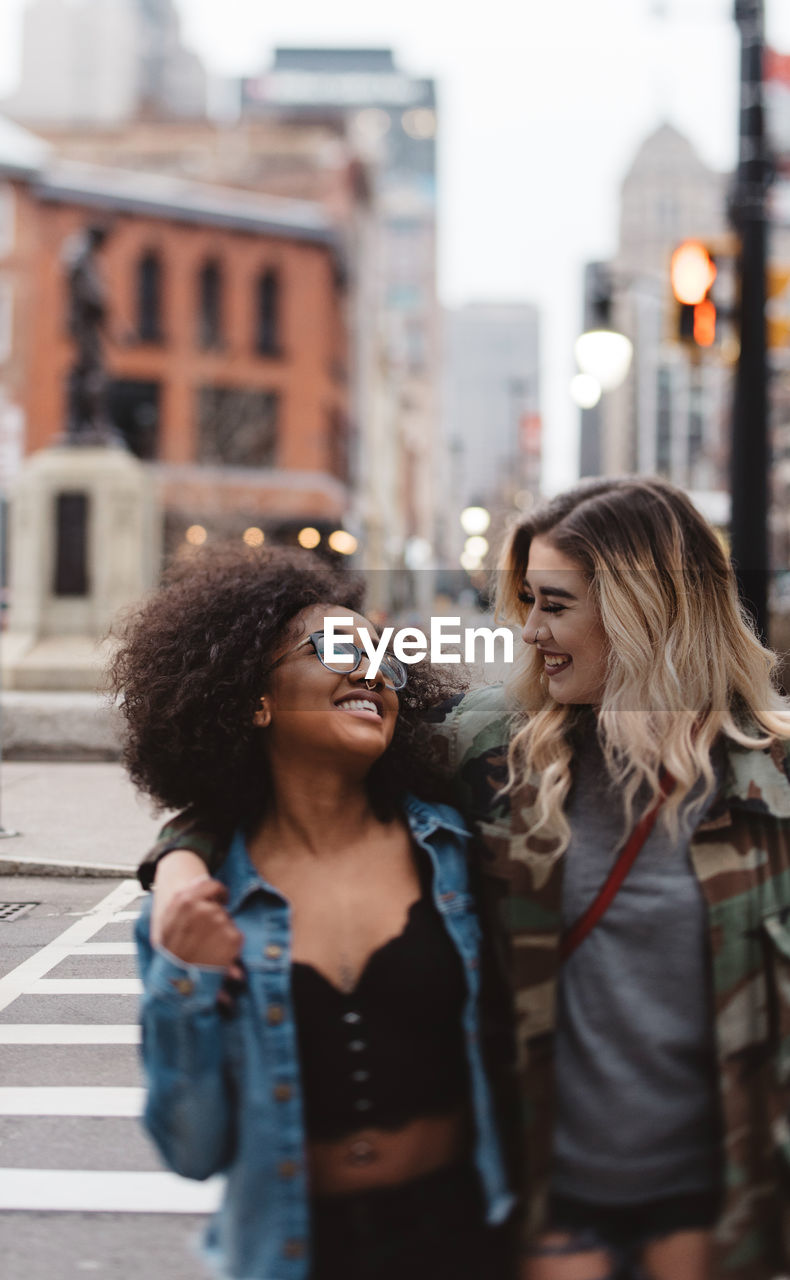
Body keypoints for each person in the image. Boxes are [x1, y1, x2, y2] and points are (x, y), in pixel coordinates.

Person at [140, 479, 790, 1280]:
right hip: (546, 1197)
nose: (529, 630)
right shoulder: (493, 748)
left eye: (553, 604)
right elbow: (286, 783)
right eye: (524, 602)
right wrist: (177, 864)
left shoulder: (773, 776)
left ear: (640, 607)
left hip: (718, 1198)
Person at [111, 545, 514, 1280]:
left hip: (467, 1239)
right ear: (254, 697)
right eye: (334, 649)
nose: (370, 673)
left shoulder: (462, 850)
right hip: (296, 1253)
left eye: (386, 661)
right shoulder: (199, 902)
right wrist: (186, 984)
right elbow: (192, 1151)